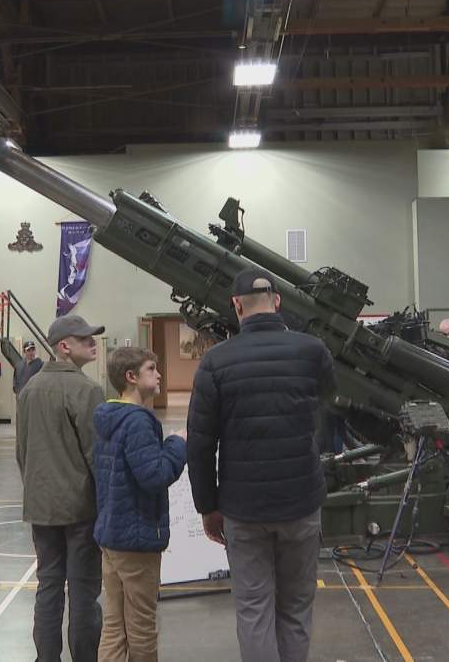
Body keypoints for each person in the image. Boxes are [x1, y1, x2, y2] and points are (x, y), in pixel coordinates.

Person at [188, 268, 335, 662]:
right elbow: (326, 410)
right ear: (278, 302)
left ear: (236, 305)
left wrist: (207, 507)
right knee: (296, 608)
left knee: (254, 609)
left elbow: (201, 444)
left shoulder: (216, 362)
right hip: (301, 502)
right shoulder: (312, 351)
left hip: (243, 509)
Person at [16, 314, 107, 662]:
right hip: (80, 509)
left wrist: (38, 491)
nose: (92, 342)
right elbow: (98, 455)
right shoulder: (86, 390)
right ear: (64, 347)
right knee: (84, 592)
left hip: (42, 508)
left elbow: (22, 453)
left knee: (49, 587)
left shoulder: (29, 390)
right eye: (84, 339)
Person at [93, 347, 186, 662]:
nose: (158, 374)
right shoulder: (138, 421)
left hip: (111, 535)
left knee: (114, 625)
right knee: (142, 626)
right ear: (131, 377)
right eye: (151, 369)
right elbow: (154, 475)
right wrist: (177, 444)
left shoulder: (109, 416)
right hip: (135, 538)